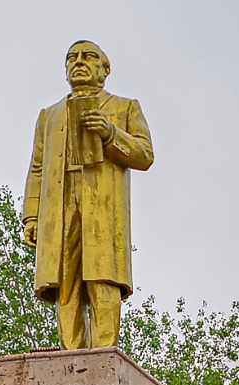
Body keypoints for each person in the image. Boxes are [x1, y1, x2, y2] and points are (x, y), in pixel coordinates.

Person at [23, 39, 154, 349]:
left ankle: (104, 354)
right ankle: (71, 354)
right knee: (65, 282)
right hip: (59, 204)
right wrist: (31, 215)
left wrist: (110, 133)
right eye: (72, 57)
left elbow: (144, 155)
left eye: (88, 56)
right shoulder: (48, 115)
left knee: (102, 277)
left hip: (102, 205)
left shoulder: (124, 107)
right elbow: (38, 167)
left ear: (104, 69)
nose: (78, 62)